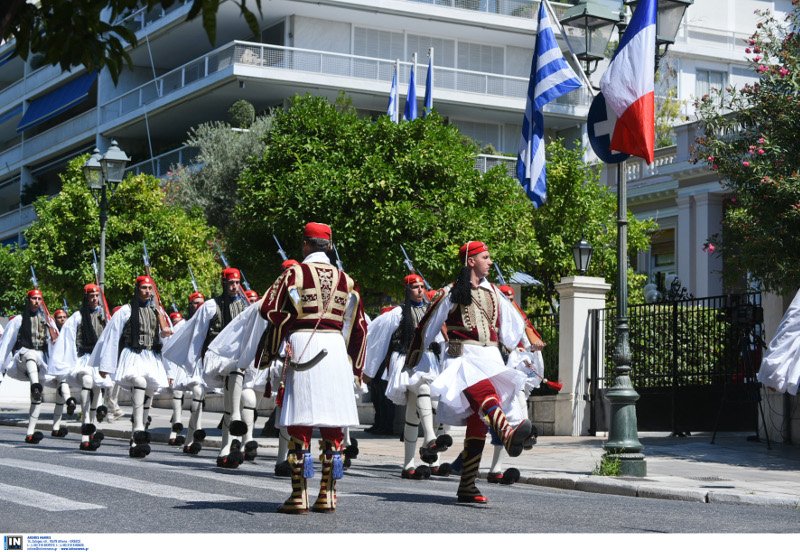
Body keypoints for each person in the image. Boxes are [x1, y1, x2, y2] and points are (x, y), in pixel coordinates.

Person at [406, 241, 534, 504]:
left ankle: (467, 485)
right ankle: (507, 434)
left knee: (478, 422)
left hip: (490, 356)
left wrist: (527, 346)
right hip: (462, 356)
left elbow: (515, 323)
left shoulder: (494, 293)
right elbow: (429, 321)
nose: (490, 261)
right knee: (485, 394)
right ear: (471, 261)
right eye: (485, 257)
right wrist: (416, 354)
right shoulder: (451, 292)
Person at [259, 222, 367, 514]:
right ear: (329, 246)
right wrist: (356, 368)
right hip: (334, 348)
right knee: (333, 424)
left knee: (300, 421)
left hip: (303, 344)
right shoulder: (347, 279)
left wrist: (281, 337)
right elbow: (358, 327)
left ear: (305, 245)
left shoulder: (294, 273)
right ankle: (328, 494)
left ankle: (299, 495)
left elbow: (268, 308)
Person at [364, 274, 451, 479]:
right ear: (406, 289)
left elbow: (440, 340)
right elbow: (379, 338)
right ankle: (429, 438)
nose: (419, 290)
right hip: (407, 362)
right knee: (421, 388)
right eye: (414, 287)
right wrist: (368, 371)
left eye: (421, 286)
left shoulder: (431, 311)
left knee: (417, 412)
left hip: (428, 361)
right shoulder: (397, 313)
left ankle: (411, 465)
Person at [162, 268, 249, 466]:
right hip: (215, 358)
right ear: (224, 284)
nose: (234, 287)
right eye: (231, 283)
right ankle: (234, 418)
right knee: (232, 375)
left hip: (236, 358)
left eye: (237, 283)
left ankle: (225, 449)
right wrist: (193, 365)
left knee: (230, 400)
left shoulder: (245, 305)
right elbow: (197, 336)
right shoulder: (211, 306)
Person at [94, 275, 172, 458]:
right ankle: (138, 429)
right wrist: (106, 364)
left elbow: (165, 342)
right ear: (137, 289)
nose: (147, 291)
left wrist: (169, 370)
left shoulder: (158, 311)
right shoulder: (126, 311)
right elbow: (112, 337)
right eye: (143, 288)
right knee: (139, 381)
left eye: (149, 288)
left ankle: (138, 433)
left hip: (151, 355)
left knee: (148, 396)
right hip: (133, 354)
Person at [47, 284, 110, 450]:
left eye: (97, 295)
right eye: (91, 296)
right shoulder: (77, 316)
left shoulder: (104, 315)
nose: (95, 299)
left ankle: (92, 430)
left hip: (99, 360)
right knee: (88, 382)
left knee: (98, 390)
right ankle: (85, 432)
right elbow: (67, 340)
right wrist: (66, 362)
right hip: (83, 358)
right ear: (86, 297)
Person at [0, 289, 58, 443]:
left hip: (42, 361)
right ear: (29, 300)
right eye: (34, 298)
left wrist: (54, 337)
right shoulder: (18, 320)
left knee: (36, 400)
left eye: (39, 298)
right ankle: (35, 386)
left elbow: (55, 344)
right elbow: (6, 344)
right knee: (30, 355)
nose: (37, 301)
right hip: (23, 358)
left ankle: (30, 433)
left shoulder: (48, 320)